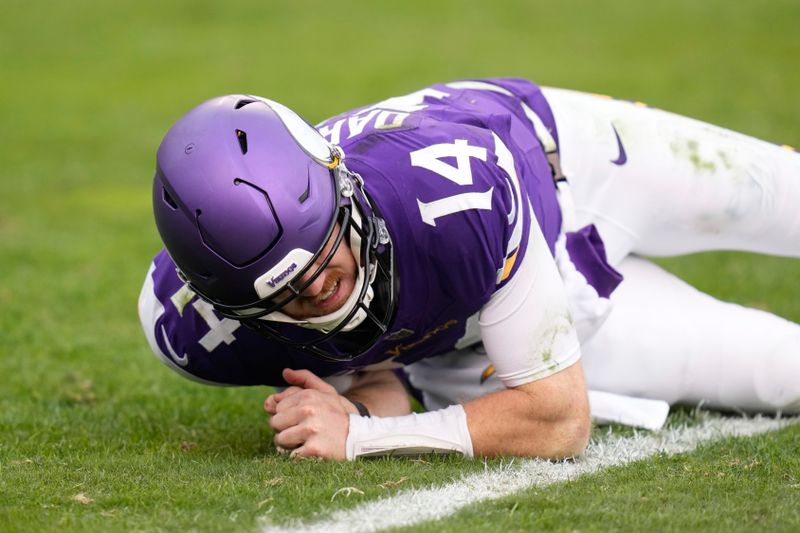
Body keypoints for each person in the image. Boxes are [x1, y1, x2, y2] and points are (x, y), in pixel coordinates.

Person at [138, 78, 800, 461]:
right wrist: (352, 407)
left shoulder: (452, 195)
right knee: (782, 370)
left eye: (322, 248)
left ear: (341, 184)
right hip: (479, 337)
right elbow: (542, 411)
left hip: (571, 166)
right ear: (227, 300)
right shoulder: (194, 330)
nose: (316, 284)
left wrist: (365, 438)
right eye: (283, 291)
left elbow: (559, 421)